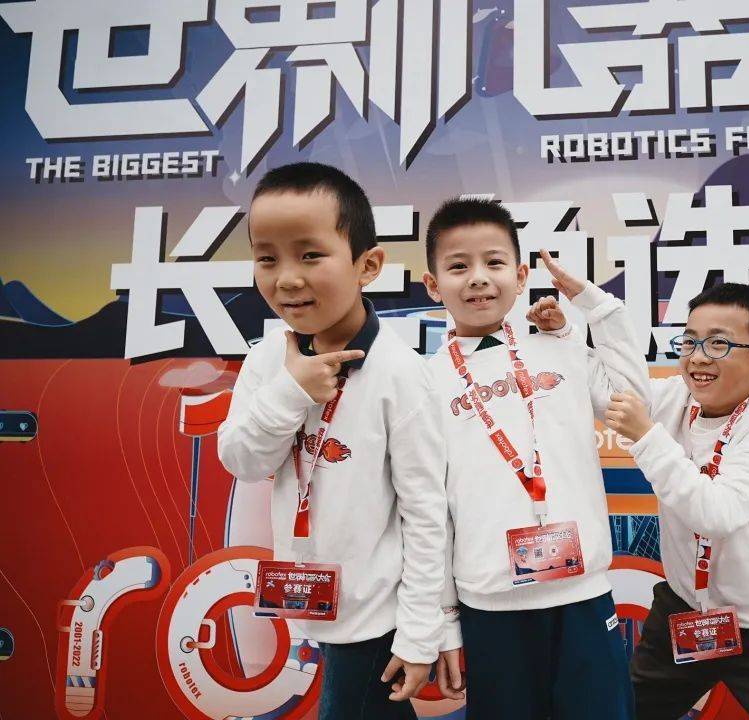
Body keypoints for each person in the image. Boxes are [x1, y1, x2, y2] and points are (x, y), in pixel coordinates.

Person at [218, 162, 447, 719]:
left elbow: (426, 512)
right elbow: (243, 459)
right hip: (309, 604)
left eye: (310, 255)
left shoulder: (401, 373)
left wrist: (420, 631)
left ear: (367, 265)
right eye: (267, 258)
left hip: (376, 617)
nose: (286, 279)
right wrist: (291, 391)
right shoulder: (267, 359)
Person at [422, 198, 647, 719]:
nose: (479, 278)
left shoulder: (559, 348)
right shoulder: (424, 383)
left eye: (494, 262)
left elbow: (634, 403)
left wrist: (595, 306)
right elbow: (428, 511)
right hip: (489, 606)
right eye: (458, 266)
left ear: (521, 276)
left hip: (583, 596)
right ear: (433, 285)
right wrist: (446, 622)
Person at [604, 282, 749, 720]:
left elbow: (715, 514)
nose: (698, 358)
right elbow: (610, 391)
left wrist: (647, 437)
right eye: (690, 341)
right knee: (626, 713)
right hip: (686, 610)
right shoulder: (677, 398)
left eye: (718, 344)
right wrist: (578, 321)